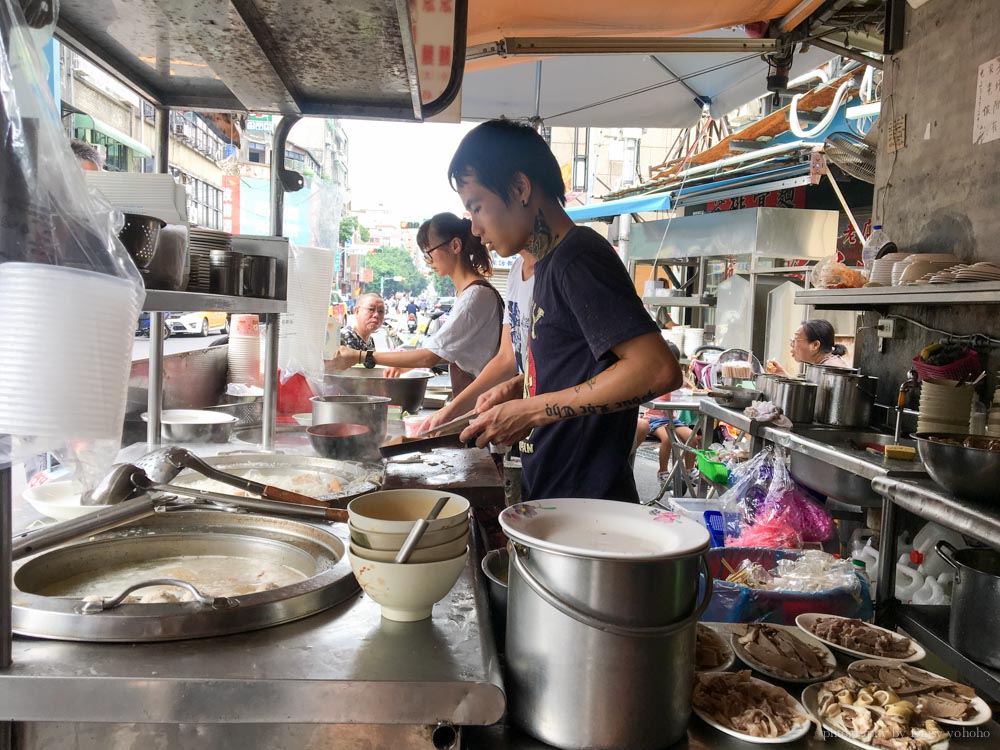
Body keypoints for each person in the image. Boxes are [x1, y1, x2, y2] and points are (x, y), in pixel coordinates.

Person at [451, 119, 681, 503]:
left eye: (477, 207)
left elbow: (656, 369)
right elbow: (580, 368)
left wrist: (530, 412)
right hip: (557, 494)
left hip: (589, 506)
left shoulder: (578, 258)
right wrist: (518, 390)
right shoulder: (547, 265)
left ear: (520, 188)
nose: (474, 228)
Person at [330, 213, 503, 397]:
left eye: (429, 253)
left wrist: (361, 356)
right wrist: (404, 363)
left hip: (485, 402)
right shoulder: (468, 294)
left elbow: (429, 356)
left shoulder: (474, 297)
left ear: (455, 246)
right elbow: (450, 350)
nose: (429, 261)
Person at [633, 341, 697, 479]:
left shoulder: (677, 376)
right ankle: (662, 471)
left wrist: (686, 383)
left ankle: (689, 470)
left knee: (692, 437)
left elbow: (690, 388)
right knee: (667, 439)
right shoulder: (653, 376)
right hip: (654, 420)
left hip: (672, 419)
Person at [766, 319, 850, 375]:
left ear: (815, 345)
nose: (792, 345)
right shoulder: (824, 365)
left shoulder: (831, 369)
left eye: (796, 340)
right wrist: (782, 374)